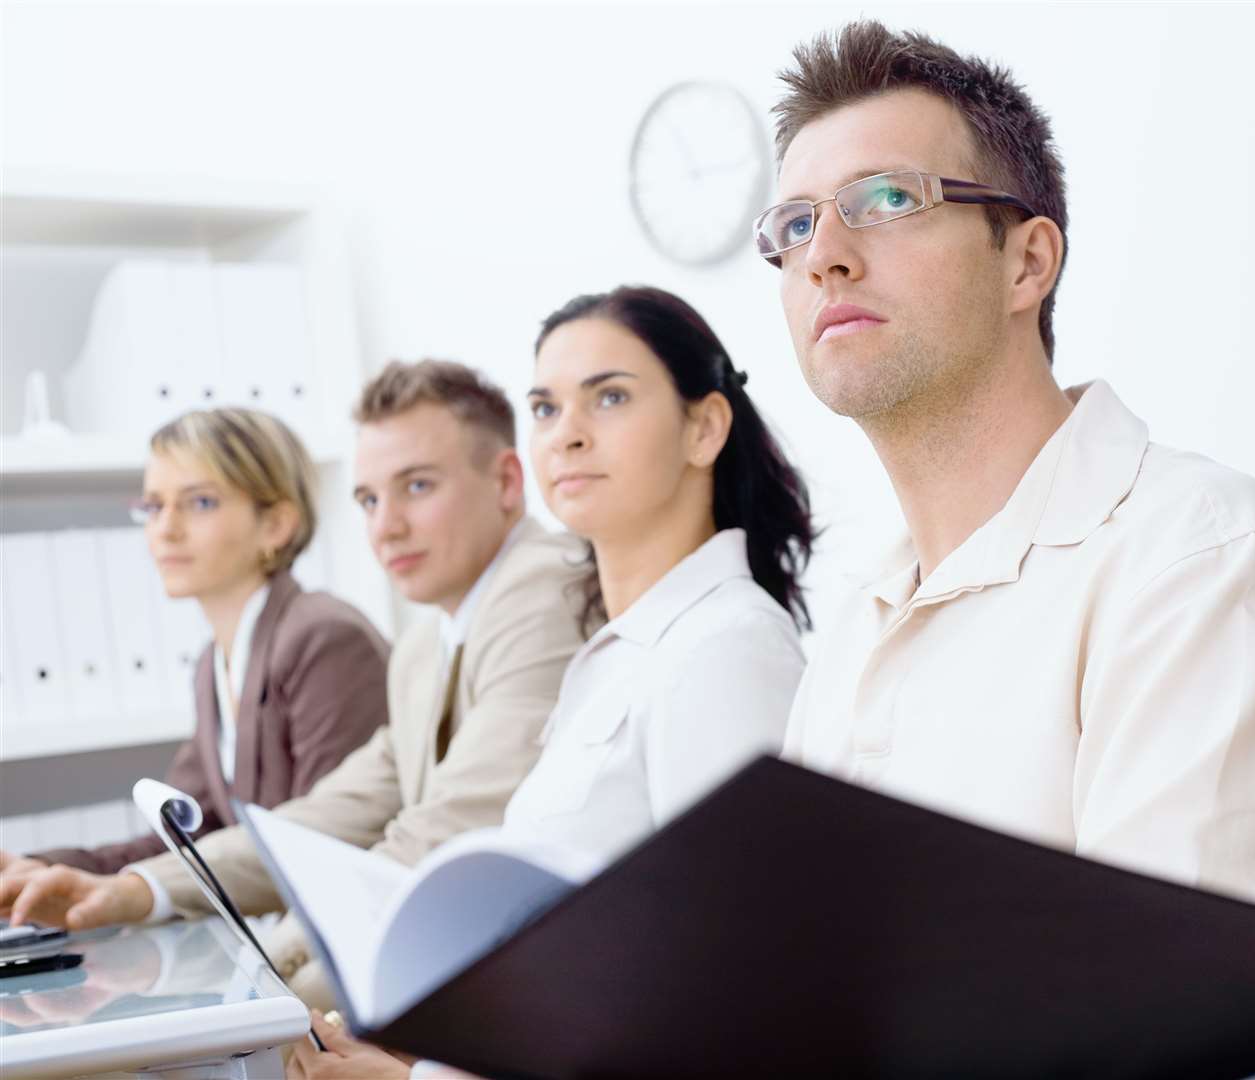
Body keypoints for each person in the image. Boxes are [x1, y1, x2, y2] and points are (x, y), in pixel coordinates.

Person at [764, 21, 1255, 900]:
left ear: (1027, 262)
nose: (823, 257)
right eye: (795, 224)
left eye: (885, 201)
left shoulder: (1199, 562)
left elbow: (1167, 1002)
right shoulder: (852, 636)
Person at [287, 287, 814, 1079]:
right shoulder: (615, 657)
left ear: (703, 427)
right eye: (545, 407)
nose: (567, 434)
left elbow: (728, 1014)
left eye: (608, 397)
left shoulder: (726, 649)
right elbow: (595, 989)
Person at [3, 360, 589, 1013]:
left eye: (417, 487)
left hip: (514, 981)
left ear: (508, 482)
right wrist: (133, 887)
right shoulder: (425, 643)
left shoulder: (537, 590)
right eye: (367, 500)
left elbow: (437, 826)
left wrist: (269, 977)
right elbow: (298, 824)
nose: (385, 527)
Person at [0, 408, 387, 878]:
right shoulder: (213, 666)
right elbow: (188, 834)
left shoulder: (324, 640)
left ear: (276, 525)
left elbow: (327, 845)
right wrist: (45, 869)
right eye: (153, 507)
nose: (165, 529)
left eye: (199, 502)